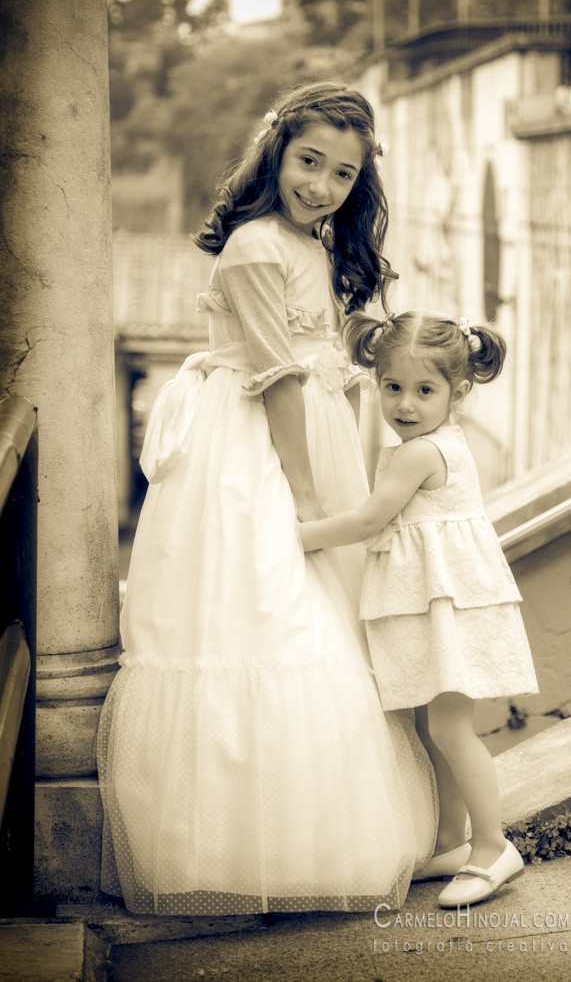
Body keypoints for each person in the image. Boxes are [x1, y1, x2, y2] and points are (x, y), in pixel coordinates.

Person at [97, 82, 437, 915]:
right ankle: (227, 849)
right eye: (307, 161)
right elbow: (279, 378)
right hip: (254, 453)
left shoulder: (311, 244)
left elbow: (314, 357)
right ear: (276, 152)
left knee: (312, 621)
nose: (320, 184)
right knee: (270, 614)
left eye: (342, 174)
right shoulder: (254, 246)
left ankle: (302, 843)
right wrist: (312, 495)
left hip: (301, 434)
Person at [298, 310, 539, 908]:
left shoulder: (419, 453)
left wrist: (292, 538)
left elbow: (367, 520)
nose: (405, 404)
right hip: (442, 602)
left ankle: (491, 846)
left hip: (451, 607)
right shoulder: (432, 442)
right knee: (436, 729)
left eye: (424, 391)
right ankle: (449, 842)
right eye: (393, 387)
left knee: (452, 730)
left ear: (457, 393)